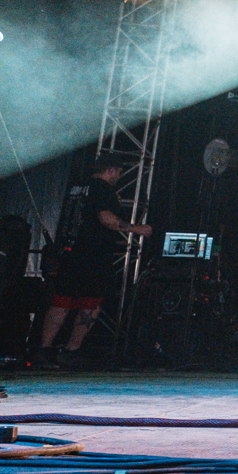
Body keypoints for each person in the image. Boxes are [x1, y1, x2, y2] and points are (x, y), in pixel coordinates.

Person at [35, 151, 152, 367]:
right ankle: (71, 350)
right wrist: (134, 228)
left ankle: (44, 349)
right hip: (92, 254)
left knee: (61, 301)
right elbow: (105, 217)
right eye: (118, 173)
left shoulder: (77, 187)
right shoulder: (103, 189)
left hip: (69, 252)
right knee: (90, 303)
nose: (118, 177)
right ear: (111, 170)